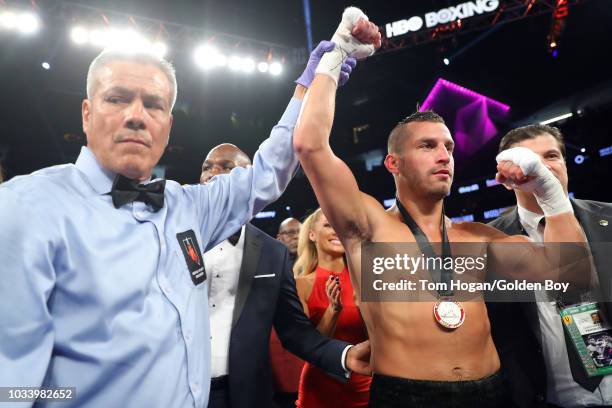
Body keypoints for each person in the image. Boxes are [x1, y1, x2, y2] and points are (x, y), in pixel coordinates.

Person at [0, 44, 359, 407]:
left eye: (153, 104)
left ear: (168, 127)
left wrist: (310, 87)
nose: (136, 116)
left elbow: (268, 172)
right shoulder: (27, 209)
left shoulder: (186, 206)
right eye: (117, 99)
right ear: (86, 114)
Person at [293, 7, 589, 407]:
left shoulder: (480, 237)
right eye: (427, 146)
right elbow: (310, 145)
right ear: (393, 163)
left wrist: (549, 191)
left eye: (448, 146)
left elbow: (571, 276)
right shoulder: (369, 227)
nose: (444, 155)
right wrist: (338, 52)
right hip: (406, 394)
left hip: (492, 392)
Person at [199, 141, 369, 408]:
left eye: (226, 167)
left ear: (251, 179)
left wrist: (344, 355)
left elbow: (295, 332)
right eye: (207, 167)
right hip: (174, 392)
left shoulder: (271, 253)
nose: (212, 173)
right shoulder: (170, 236)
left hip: (246, 396)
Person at [487, 124, 612, 407]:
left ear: (565, 164)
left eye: (551, 156)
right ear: (507, 177)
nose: (543, 167)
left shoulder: (610, 219)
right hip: (547, 398)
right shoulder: (490, 241)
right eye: (530, 159)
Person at [294, 208, 371, 408]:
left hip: (366, 387)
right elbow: (309, 348)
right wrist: (332, 311)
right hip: (320, 390)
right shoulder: (300, 285)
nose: (337, 231)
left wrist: (367, 310)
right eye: (328, 225)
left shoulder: (368, 280)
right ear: (312, 234)